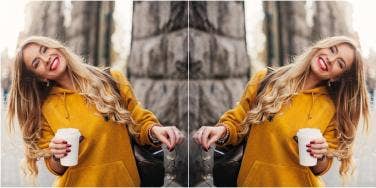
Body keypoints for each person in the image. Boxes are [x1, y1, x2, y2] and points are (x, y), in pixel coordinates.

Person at [7, 36, 184, 186]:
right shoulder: (45, 109)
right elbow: (56, 168)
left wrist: (155, 131)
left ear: (56, 48)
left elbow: (138, 120)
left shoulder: (111, 79)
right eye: (37, 63)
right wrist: (57, 155)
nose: (45, 59)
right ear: (40, 77)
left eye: (45, 50)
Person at [193, 36, 369, 186]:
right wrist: (221, 131)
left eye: (340, 63)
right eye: (332, 49)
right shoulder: (266, 79)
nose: (331, 59)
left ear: (338, 76)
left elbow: (320, 169)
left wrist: (321, 155)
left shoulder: (331, 109)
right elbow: (238, 120)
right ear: (321, 46)